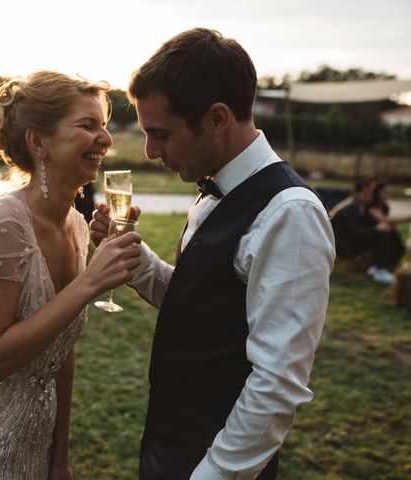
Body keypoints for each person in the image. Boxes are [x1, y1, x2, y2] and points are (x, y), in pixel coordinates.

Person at [90, 28, 335, 479]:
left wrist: (212, 473)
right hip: (170, 440)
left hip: (217, 461)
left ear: (217, 119)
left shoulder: (290, 214)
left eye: (161, 134)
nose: (151, 151)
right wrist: (133, 255)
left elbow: (276, 384)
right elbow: (197, 303)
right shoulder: (213, 187)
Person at [0, 71, 141, 479]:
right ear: (39, 142)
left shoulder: (77, 225)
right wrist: (91, 283)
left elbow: (61, 346)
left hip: (34, 442)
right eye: (88, 126)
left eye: (103, 126)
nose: (105, 138)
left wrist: (60, 456)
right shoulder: (1, 222)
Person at [331, 178, 401, 283]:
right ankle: (378, 269)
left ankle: (384, 265)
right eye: (367, 193)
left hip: (351, 240)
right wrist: (376, 229)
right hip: (343, 246)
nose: (371, 195)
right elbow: (356, 232)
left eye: (371, 193)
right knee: (381, 234)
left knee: (386, 232)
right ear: (357, 193)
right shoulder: (350, 209)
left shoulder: (360, 206)